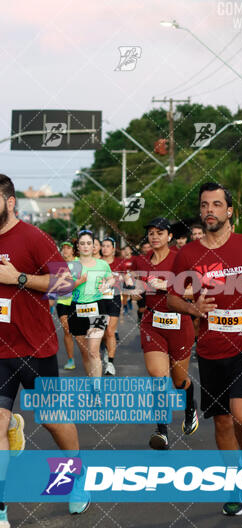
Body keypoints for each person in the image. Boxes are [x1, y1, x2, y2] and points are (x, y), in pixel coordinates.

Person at [167, 182, 242, 517]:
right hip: (211, 348)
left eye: (216, 204)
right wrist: (193, 309)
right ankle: (233, 484)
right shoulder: (188, 254)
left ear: (230, 212)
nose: (209, 210)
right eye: (204, 205)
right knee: (223, 422)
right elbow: (172, 297)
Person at [0, 174, 90, 521]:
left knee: (52, 421)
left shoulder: (34, 237)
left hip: (34, 349)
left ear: (10, 202)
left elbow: (65, 284)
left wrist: (19, 278)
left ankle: (76, 476)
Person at [132, 217, 198, 450]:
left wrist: (168, 287)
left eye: (160, 232)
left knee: (178, 381)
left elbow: (197, 288)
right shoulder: (141, 261)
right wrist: (135, 292)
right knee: (158, 377)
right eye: (151, 232)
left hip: (179, 324)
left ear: (169, 236)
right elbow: (138, 286)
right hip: (152, 323)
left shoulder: (181, 259)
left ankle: (190, 406)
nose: (154, 236)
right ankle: (162, 432)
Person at [68, 230, 112, 377]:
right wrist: (78, 282)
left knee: (93, 351)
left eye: (89, 243)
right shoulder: (71, 266)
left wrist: (107, 284)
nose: (86, 246)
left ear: (94, 246)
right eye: (82, 243)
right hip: (76, 309)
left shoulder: (102, 264)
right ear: (78, 246)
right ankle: (92, 383)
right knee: (85, 353)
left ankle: (97, 391)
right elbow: (61, 289)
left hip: (97, 308)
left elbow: (111, 279)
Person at [100, 237, 124, 376]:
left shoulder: (120, 263)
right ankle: (105, 347)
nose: (105, 248)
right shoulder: (98, 263)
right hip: (100, 299)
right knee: (102, 331)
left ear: (114, 248)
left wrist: (123, 279)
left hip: (114, 298)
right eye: (103, 245)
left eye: (108, 246)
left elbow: (127, 280)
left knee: (110, 331)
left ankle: (110, 363)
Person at [56, 241, 76, 370]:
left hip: (78, 300)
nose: (65, 250)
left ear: (73, 250)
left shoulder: (80, 262)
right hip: (63, 300)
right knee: (67, 330)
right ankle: (71, 360)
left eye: (68, 248)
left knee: (82, 333)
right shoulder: (58, 264)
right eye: (63, 248)